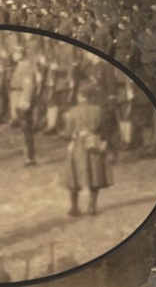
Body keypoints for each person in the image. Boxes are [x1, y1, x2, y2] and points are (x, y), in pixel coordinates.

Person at [63, 79, 117, 216]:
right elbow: (106, 128)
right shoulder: (98, 111)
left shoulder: (72, 112)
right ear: (91, 97)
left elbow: (67, 133)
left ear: (79, 96)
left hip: (78, 145)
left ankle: (74, 207)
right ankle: (92, 207)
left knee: (73, 176)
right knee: (95, 175)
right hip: (94, 144)